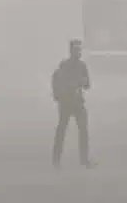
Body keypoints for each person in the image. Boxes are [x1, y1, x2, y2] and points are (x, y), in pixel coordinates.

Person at [51, 39, 92, 168]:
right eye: (76, 50)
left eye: (79, 50)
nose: (78, 52)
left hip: (78, 102)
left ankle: (84, 160)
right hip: (66, 103)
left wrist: (82, 81)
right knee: (61, 130)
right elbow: (57, 80)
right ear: (71, 51)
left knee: (83, 131)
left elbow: (87, 85)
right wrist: (59, 95)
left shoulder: (82, 66)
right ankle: (56, 160)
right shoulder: (64, 65)